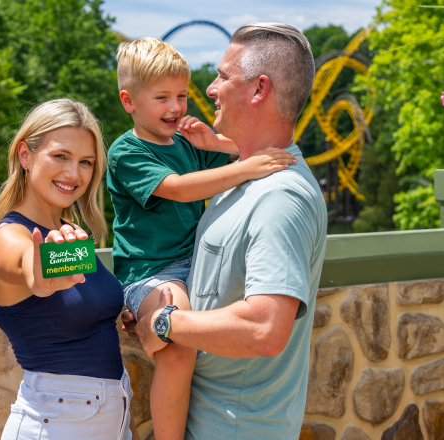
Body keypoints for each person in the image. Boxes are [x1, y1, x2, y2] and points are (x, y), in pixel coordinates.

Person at [124, 23, 328, 439]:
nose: (210, 89)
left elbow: (265, 329)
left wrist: (165, 323)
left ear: (258, 90)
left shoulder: (278, 197)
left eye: (223, 76)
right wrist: (149, 305)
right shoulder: (244, 180)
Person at [0, 99, 139, 440]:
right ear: (25, 155)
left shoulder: (69, 234)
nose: (74, 173)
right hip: (55, 423)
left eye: (86, 162)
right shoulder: (8, 236)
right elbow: (31, 267)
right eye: (61, 156)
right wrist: (42, 273)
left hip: (111, 416)